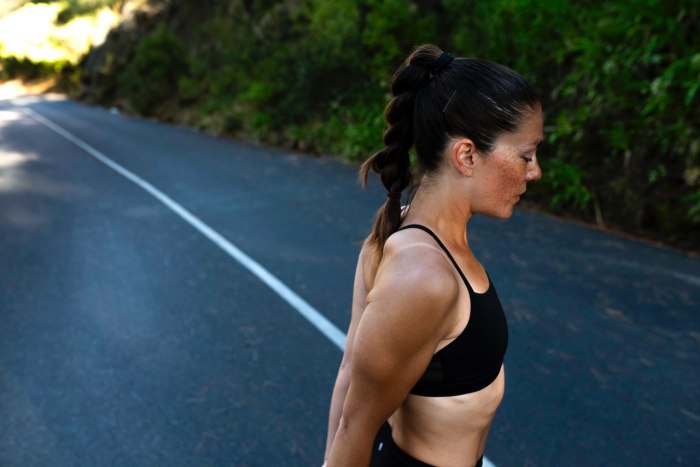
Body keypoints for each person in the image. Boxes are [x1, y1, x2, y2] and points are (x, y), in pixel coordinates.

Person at [322, 44, 543, 467]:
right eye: (526, 156)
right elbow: (356, 425)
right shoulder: (424, 277)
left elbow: (350, 373)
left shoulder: (399, 230)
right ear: (467, 155)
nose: (535, 171)